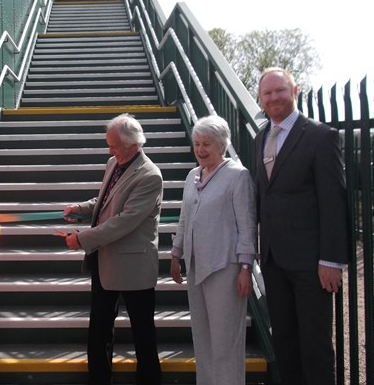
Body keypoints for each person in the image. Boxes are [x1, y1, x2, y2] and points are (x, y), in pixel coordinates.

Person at [255, 68, 348, 385]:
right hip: (273, 260)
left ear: (294, 91)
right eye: (267, 93)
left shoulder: (321, 137)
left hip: (311, 264)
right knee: (285, 343)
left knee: (315, 347)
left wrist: (331, 260)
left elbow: (334, 203)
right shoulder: (261, 137)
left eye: (280, 90)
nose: (273, 98)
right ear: (260, 99)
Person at [62, 113, 163, 385]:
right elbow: (107, 200)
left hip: (134, 269)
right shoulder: (113, 163)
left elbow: (124, 221)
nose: (110, 150)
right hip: (105, 263)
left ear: (133, 144)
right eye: (109, 145)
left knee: (143, 335)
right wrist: (82, 209)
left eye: (115, 145)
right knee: (98, 333)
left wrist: (82, 239)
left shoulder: (150, 175)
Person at [169, 115, 256, 384]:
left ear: (221, 144)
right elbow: (184, 218)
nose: (201, 150)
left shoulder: (237, 175)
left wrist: (245, 268)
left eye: (207, 143)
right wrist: (176, 253)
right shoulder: (192, 175)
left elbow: (247, 225)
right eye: (197, 144)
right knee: (203, 340)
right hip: (196, 266)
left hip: (225, 267)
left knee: (225, 342)